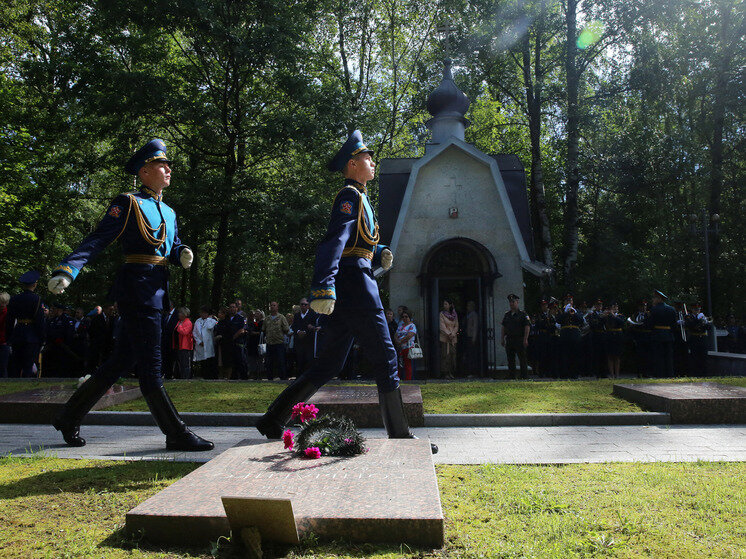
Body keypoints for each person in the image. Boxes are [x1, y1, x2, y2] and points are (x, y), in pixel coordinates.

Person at [254, 130, 436, 453]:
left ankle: (273, 418)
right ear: (353, 164)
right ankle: (400, 435)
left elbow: (356, 240)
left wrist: (378, 251)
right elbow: (335, 241)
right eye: (367, 158)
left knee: (328, 365)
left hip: (355, 281)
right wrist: (323, 285)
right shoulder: (349, 196)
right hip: (356, 286)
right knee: (386, 356)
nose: (373, 161)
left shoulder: (361, 198)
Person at [47, 139, 212, 451]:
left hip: (158, 291)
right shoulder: (127, 202)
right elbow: (99, 238)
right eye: (162, 165)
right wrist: (68, 269)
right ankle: (176, 433)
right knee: (151, 367)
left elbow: (171, 244)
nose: (169, 169)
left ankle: (69, 416)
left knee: (120, 361)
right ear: (145, 170)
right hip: (137, 290)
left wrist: (182, 252)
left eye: (168, 164)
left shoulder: (169, 210)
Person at [6, 271, 45, 378]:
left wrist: (8, 337)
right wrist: (42, 338)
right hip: (32, 336)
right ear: (34, 284)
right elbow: (39, 321)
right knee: (28, 365)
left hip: (18, 333)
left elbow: (9, 320)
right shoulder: (37, 299)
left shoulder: (14, 299)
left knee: (15, 365)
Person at [644, 290, 678, 378]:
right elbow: (674, 325)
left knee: (658, 357)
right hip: (668, 336)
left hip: (657, 335)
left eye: (654, 298)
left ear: (659, 299)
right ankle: (670, 374)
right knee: (668, 357)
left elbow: (650, 324)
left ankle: (659, 374)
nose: (653, 300)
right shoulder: (672, 309)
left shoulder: (653, 309)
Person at [501, 294, 531, 379]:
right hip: (510, 339)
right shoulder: (507, 315)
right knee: (510, 359)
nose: (511, 304)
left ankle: (524, 376)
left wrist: (525, 339)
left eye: (513, 302)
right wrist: (502, 338)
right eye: (510, 302)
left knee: (522, 358)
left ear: (517, 302)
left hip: (519, 339)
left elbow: (527, 326)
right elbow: (503, 327)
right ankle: (512, 376)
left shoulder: (523, 314)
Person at [263, 301, 290, 380]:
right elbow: (263, 329)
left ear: (277, 307)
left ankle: (283, 378)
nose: (272, 307)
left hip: (279, 343)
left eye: (274, 305)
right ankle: (270, 378)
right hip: (269, 343)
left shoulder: (281, 317)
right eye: (271, 305)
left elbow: (286, 329)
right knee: (269, 362)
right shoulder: (267, 319)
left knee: (281, 362)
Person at [292, 298, 318, 377]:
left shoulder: (313, 314)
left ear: (308, 306)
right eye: (302, 304)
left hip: (309, 342)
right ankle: (299, 377)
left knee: (308, 360)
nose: (303, 306)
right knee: (299, 360)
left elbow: (314, 326)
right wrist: (298, 331)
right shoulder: (296, 315)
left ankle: (308, 378)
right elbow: (294, 326)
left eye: (305, 304)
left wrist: (305, 332)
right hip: (299, 342)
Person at [193, 306, 218, 379]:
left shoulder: (212, 321)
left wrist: (209, 318)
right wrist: (199, 341)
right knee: (202, 361)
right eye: (202, 312)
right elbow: (194, 332)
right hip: (200, 344)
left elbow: (209, 327)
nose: (203, 314)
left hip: (208, 344)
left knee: (209, 361)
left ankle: (210, 376)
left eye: (205, 313)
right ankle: (203, 376)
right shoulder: (198, 321)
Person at [684, 302, 709, 375]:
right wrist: (698, 320)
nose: (697, 311)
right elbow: (691, 325)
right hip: (694, 339)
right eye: (695, 309)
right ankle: (695, 374)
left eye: (698, 309)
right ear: (692, 310)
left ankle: (704, 374)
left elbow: (708, 327)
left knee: (704, 358)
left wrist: (705, 321)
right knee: (694, 358)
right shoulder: (688, 317)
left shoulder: (703, 317)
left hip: (703, 339)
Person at [603, 302, 625, 379]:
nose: (615, 309)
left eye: (616, 307)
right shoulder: (607, 316)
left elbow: (622, 323)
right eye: (613, 307)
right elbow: (602, 322)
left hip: (618, 336)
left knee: (617, 356)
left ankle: (617, 375)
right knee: (610, 356)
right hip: (609, 336)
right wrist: (604, 315)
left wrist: (613, 316)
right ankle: (612, 374)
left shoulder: (620, 316)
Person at [227, 302, 249, 380]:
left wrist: (234, 337)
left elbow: (243, 329)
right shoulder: (227, 319)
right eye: (230, 307)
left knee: (241, 361)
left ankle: (244, 378)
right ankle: (234, 378)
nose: (232, 309)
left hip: (239, 343)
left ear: (237, 308)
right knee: (232, 362)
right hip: (230, 344)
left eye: (233, 307)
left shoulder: (241, 318)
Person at [439, 299, 458, 379]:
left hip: (453, 339)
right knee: (445, 356)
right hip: (445, 338)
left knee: (452, 356)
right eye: (444, 304)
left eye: (446, 304)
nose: (444, 306)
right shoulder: (442, 314)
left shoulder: (454, 314)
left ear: (450, 305)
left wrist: (453, 334)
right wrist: (449, 334)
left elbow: (456, 325)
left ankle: (451, 372)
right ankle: (445, 372)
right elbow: (442, 326)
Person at [395, 310, 417, 381]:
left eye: (406, 317)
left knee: (408, 365)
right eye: (403, 317)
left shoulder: (412, 325)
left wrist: (400, 341)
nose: (404, 318)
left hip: (408, 347)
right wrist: (397, 341)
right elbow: (395, 335)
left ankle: (408, 380)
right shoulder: (400, 326)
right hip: (400, 348)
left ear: (409, 317)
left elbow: (410, 335)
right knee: (399, 365)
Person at [174, 307, 193, 379]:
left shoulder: (188, 322)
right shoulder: (179, 322)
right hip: (178, 345)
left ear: (184, 314)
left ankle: (186, 377)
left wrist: (179, 327)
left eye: (180, 313)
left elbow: (185, 332)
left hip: (186, 346)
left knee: (185, 363)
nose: (179, 314)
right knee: (180, 363)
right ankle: (181, 376)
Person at [465, 301, 480, 376]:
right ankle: (469, 370)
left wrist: (474, 337)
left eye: (469, 306)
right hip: (468, 336)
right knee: (469, 354)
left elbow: (475, 326)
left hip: (471, 336)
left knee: (472, 354)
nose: (467, 307)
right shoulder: (468, 314)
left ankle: (473, 371)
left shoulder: (474, 315)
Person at [0, 292, 9, 377]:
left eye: (4, 302)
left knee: (2, 367)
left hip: (3, 343)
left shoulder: (8, 314)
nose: (2, 304)